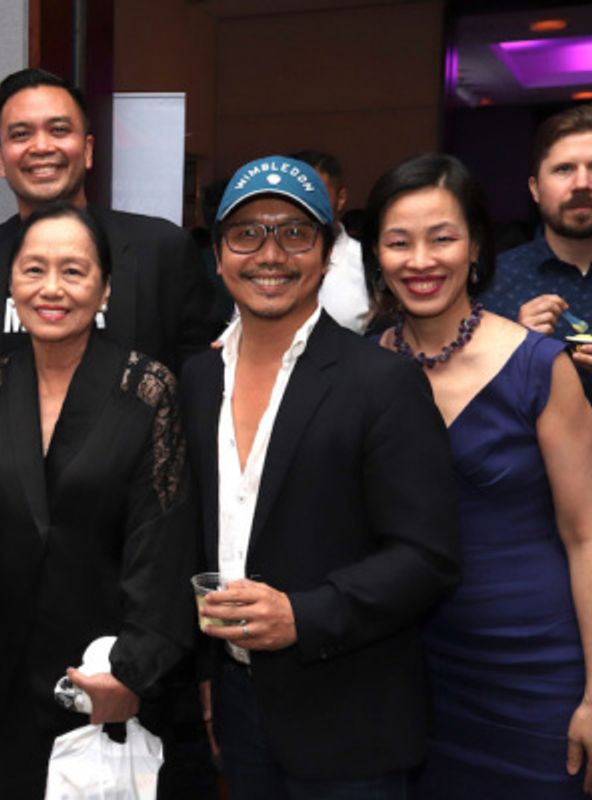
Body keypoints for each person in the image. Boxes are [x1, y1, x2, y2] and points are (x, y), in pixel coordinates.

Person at [181, 155, 461, 800]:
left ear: (329, 252)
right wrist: (205, 673)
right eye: (246, 233)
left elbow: (429, 556)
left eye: (294, 232)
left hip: (350, 716)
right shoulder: (197, 381)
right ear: (219, 256)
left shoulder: (383, 382)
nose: (269, 254)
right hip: (238, 704)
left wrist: (302, 616)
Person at [0, 202, 198, 798]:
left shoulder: (147, 389)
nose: (52, 288)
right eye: (34, 270)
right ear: (11, 286)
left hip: (106, 674)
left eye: (73, 272)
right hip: (6, 679)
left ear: (104, 290)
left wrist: (135, 671)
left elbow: (165, 545)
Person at [365, 153, 592, 797]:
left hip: (532, 667)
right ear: (375, 255)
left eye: (443, 238)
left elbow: (587, 536)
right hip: (403, 671)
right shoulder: (357, 370)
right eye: (398, 242)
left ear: (475, 247)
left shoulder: (540, 367)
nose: (421, 260)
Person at [0, 67, 226, 372]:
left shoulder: (161, 249)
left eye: (59, 130)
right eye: (21, 134)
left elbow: (203, 376)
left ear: (87, 151)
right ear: (1, 160)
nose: (42, 147)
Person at [481, 104, 592, 399]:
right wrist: (513, 348)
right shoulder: (492, 281)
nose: (582, 183)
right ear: (535, 189)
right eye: (564, 169)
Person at [291, 149, 371, 333]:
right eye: (294, 197)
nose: (303, 207)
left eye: (316, 197)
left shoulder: (365, 262)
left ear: (340, 198)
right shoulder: (264, 261)